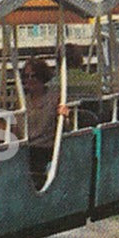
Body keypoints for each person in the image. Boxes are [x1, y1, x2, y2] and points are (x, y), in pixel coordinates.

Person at [18, 58, 72, 188]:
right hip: (26, 148)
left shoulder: (55, 98)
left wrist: (66, 116)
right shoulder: (22, 101)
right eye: (26, 76)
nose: (29, 79)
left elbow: (66, 128)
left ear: (42, 77)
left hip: (45, 149)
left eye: (34, 76)